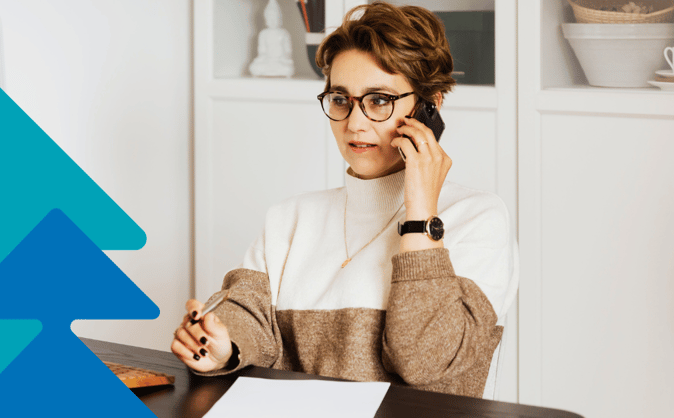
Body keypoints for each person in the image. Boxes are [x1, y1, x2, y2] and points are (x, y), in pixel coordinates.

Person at [171, 2, 518, 399]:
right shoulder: (290, 218)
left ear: (430, 107)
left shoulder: (478, 218)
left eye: (379, 100)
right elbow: (249, 315)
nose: (355, 123)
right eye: (340, 99)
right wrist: (223, 345)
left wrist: (421, 211)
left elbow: (426, 362)